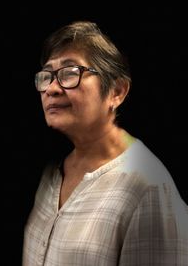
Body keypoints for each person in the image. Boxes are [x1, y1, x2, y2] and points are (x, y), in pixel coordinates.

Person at [22, 20, 188, 266]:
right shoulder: (50, 173)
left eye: (70, 73)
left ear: (117, 92)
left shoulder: (147, 187)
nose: (52, 89)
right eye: (46, 76)